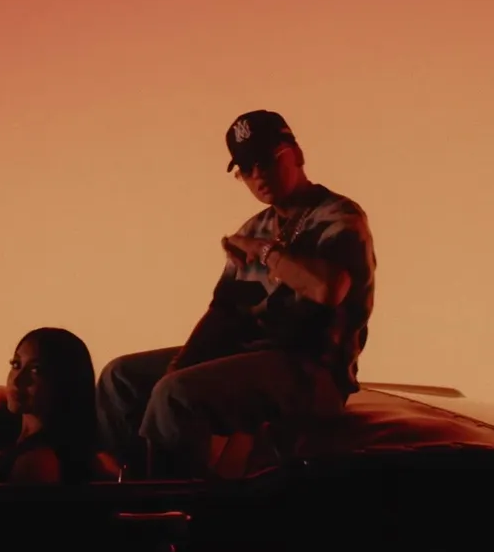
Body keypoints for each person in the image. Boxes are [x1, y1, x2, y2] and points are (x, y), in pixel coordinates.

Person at [95, 109, 377, 478]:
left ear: (297, 154)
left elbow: (328, 289)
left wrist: (265, 252)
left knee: (175, 395)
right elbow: (225, 312)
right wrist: (180, 364)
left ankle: (175, 504)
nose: (257, 174)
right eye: (245, 167)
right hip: (255, 359)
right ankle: (124, 486)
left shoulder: (338, 216)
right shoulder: (256, 228)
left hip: (313, 371)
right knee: (120, 377)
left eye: (266, 160)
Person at [0, 327, 117, 484]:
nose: (17, 379)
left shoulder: (37, 462)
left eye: (36, 370)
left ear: (66, 382)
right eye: (16, 365)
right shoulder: (13, 437)